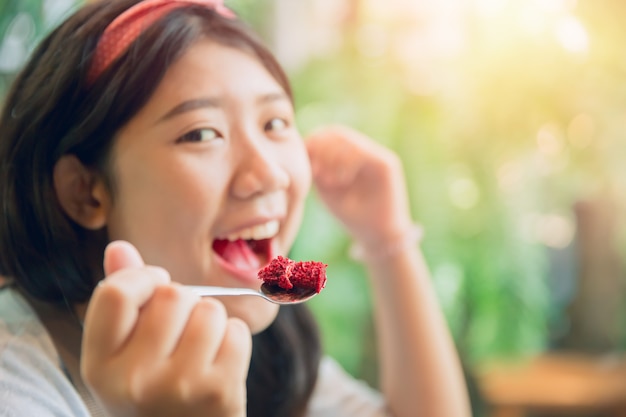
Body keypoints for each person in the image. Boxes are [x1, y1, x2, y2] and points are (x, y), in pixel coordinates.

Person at [0, 0, 471, 416]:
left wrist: (387, 240)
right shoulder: (15, 377)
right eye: (202, 133)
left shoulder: (253, 336)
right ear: (87, 192)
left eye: (275, 123)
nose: (268, 175)